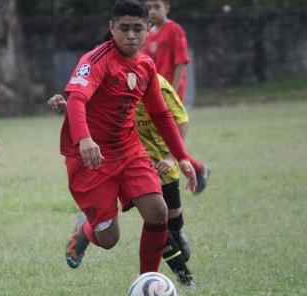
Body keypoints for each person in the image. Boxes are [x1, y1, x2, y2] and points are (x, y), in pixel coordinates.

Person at [58, 0, 196, 280]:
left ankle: (148, 282)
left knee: (158, 212)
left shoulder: (146, 65)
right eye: (124, 28)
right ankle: (85, 230)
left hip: (129, 149)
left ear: (148, 29)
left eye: (137, 29)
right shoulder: (95, 60)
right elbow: (76, 101)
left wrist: (182, 156)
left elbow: (161, 114)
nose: (131, 35)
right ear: (112, 27)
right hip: (90, 157)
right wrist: (84, 139)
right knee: (109, 239)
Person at [48, 74, 196, 287]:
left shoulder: (156, 84)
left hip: (164, 162)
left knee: (172, 224)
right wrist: (67, 106)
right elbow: (89, 110)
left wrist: (173, 157)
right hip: (132, 159)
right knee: (154, 216)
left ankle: (86, 229)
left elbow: (179, 121)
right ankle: (183, 278)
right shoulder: (107, 81)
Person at [144, 0, 210, 194]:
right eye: (149, 8)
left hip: (168, 94)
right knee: (162, 140)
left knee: (168, 140)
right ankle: (197, 168)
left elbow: (181, 62)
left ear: (167, 8)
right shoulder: (147, 33)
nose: (153, 11)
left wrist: (171, 91)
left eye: (157, 6)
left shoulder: (175, 30)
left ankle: (191, 170)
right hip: (152, 95)